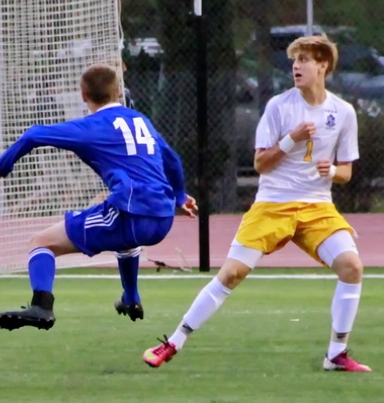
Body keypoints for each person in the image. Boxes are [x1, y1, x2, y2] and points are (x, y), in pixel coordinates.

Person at [143, 35, 370, 372]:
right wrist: (292, 140)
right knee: (231, 274)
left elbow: (347, 172)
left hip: (317, 208)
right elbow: (262, 163)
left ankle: (336, 354)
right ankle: (173, 342)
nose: (296, 66)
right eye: (294, 60)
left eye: (304, 60)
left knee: (352, 267)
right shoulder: (279, 106)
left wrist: (334, 170)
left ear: (323, 66)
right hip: (272, 205)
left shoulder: (343, 112)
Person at [0, 64, 197, 331]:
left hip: (131, 214)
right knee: (123, 238)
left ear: (83, 95)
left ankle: (41, 306)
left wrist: (0, 167)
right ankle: (131, 298)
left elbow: (33, 135)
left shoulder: (91, 126)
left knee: (41, 242)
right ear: (118, 92)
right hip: (163, 217)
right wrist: (180, 196)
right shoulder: (140, 120)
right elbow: (172, 159)